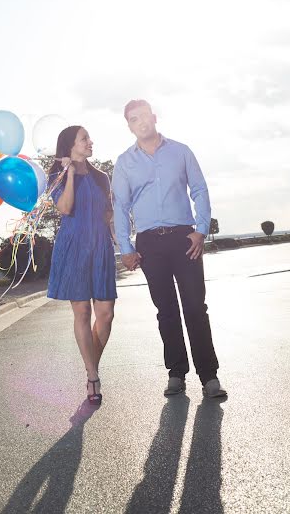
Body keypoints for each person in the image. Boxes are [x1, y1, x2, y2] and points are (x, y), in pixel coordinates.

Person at [112, 100, 226, 398]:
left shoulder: (181, 151)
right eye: (133, 119)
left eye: (144, 116)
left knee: (195, 307)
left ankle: (209, 375)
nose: (141, 122)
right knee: (166, 310)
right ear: (129, 126)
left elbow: (199, 189)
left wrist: (200, 230)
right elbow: (120, 206)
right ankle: (176, 372)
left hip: (184, 239)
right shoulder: (125, 162)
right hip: (149, 243)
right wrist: (125, 246)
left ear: (154, 117)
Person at [47, 126, 117, 405]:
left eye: (89, 137)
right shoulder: (58, 175)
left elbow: (109, 213)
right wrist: (71, 174)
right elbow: (65, 208)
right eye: (84, 138)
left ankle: (92, 367)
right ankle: (93, 377)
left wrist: (124, 245)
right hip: (73, 247)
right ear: (70, 145)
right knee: (83, 312)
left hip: (100, 247)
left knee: (106, 314)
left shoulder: (102, 177)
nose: (90, 142)